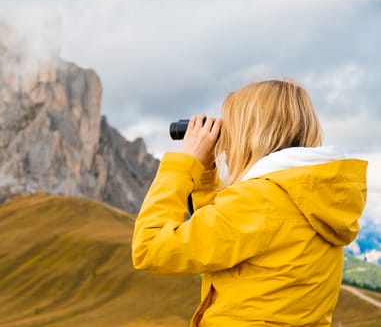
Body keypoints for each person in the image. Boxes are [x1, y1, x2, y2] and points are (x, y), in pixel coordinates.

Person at [131, 79, 368, 326]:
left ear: (250, 134)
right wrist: (205, 172)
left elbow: (149, 248)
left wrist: (183, 164)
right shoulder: (311, 194)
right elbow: (222, 242)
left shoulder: (259, 200)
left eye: (232, 129)